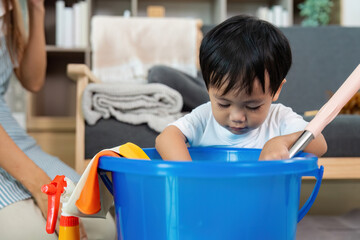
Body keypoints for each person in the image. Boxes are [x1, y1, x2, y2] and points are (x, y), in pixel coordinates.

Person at [0, 0, 116, 239]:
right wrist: (41, 188)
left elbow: (33, 80)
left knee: (100, 225)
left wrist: (36, 9)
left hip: (11, 134)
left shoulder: (9, 8)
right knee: (37, 234)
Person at [155, 15, 327, 161]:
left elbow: (320, 143)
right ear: (208, 87)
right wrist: (188, 174)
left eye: (252, 106)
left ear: (276, 90)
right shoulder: (204, 117)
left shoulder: (280, 118)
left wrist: (283, 142)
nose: (237, 117)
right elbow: (166, 138)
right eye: (223, 104)